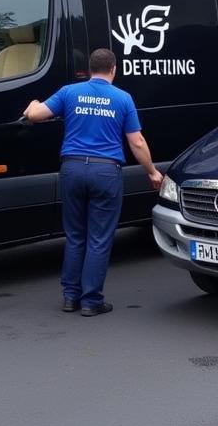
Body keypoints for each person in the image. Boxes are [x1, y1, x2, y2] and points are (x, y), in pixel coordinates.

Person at [23, 48, 162, 316]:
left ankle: (70, 297)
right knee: (99, 238)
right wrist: (152, 171)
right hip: (105, 172)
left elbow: (36, 115)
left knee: (75, 236)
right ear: (113, 69)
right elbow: (137, 141)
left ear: (89, 69)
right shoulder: (123, 98)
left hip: (72, 169)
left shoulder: (69, 92)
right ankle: (91, 301)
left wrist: (32, 105)